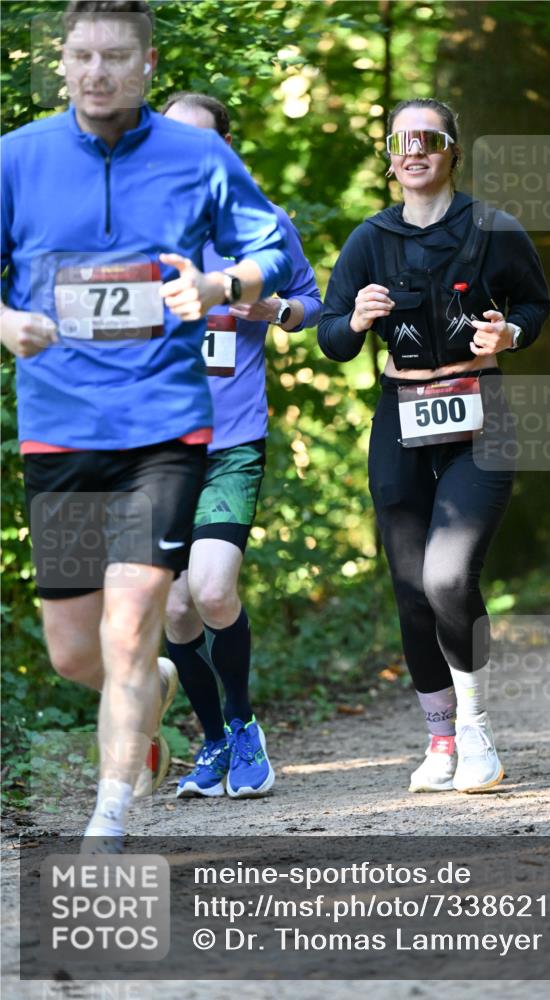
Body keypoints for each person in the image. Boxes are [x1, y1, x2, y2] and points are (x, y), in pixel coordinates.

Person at [0, 0, 290, 850]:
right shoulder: (17, 158)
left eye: (116, 57)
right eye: (83, 56)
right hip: (60, 429)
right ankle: (153, 685)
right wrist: (5, 322)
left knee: (129, 624)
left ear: (148, 65)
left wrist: (218, 286)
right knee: (75, 653)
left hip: (164, 429)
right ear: (63, 61)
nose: (98, 73)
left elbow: (272, 247)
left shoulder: (197, 156)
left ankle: (111, 817)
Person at [318, 98, 550, 794]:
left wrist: (510, 333)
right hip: (400, 420)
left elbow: (534, 305)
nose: (413, 150)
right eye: (401, 141)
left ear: (452, 150)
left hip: (479, 418)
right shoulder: (369, 239)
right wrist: (354, 320)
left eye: (428, 139)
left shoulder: (492, 228)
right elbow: (331, 337)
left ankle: (476, 730)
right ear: (389, 159)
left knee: (447, 578)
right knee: (411, 589)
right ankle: (440, 738)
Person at [160, 92, 322, 799]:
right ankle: (215, 741)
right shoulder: (136, 227)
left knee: (212, 589)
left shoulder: (262, 227)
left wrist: (278, 309)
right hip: (155, 448)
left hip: (231, 442)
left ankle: (243, 722)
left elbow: (314, 304)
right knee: (173, 610)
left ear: (225, 148)